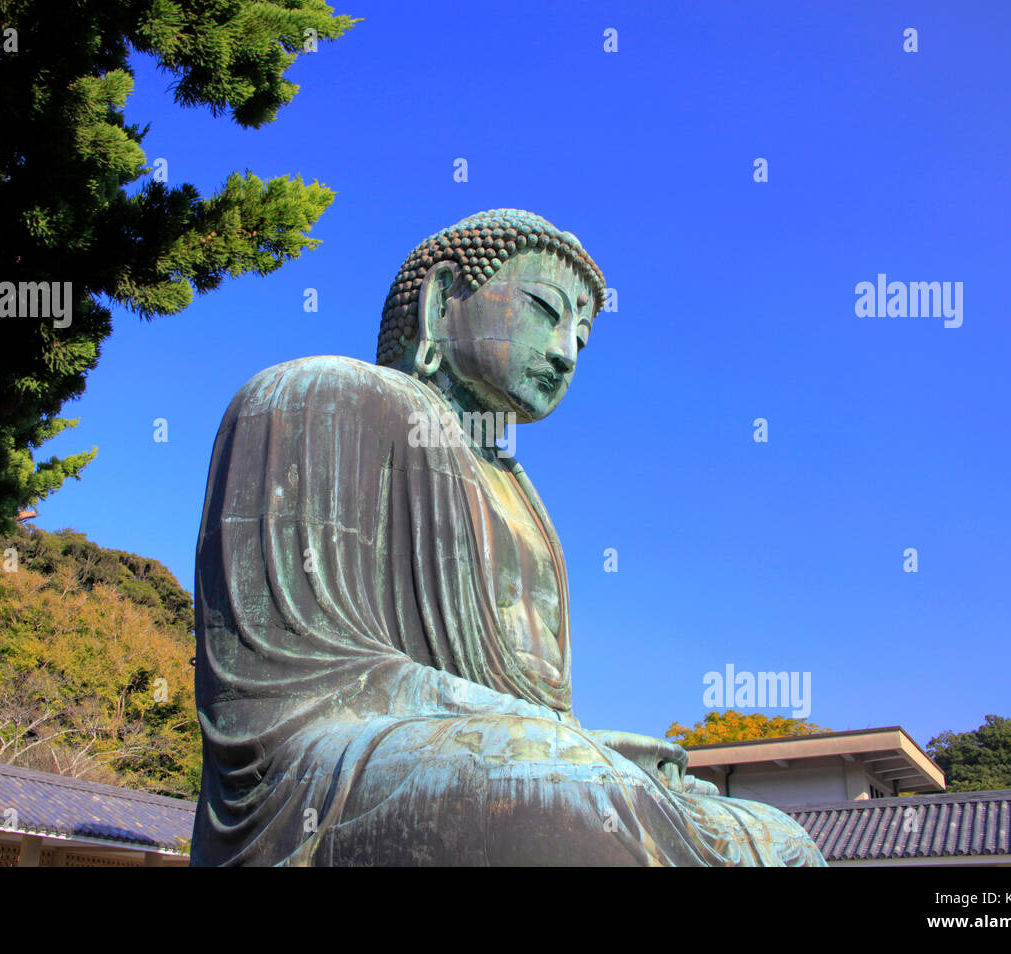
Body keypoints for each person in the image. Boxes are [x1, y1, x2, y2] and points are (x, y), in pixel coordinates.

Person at [191, 209, 826, 865]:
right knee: (555, 784)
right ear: (442, 301)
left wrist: (582, 741)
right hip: (328, 767)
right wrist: (564, 743)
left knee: (779, 839)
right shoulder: (318, 394)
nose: (564, 351)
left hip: (505, 745)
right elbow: (285, 691)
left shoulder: (523, 495)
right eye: (545, 311)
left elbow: (538, 709)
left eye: (582, 336)